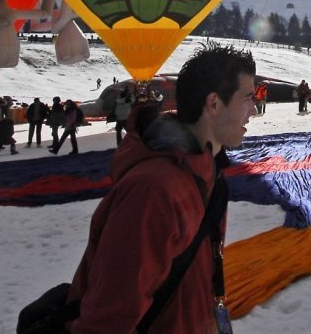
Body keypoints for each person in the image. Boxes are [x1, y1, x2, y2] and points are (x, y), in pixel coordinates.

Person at [64, 42, 256, 332]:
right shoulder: (154, 191)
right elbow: (109, 317)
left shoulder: (208, 172)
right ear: (214, 104)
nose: (253, 110)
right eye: (248, 98)